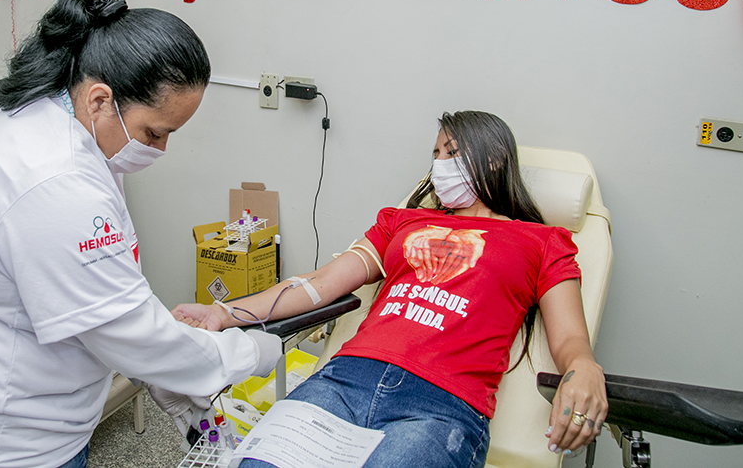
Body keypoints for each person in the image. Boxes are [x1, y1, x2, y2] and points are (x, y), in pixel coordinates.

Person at [0, 0, 281, 468]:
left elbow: (100, 293)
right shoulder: (54, 178)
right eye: (155, 132)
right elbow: (125, 330)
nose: (160, 148)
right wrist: (246, 351)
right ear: (100, 99)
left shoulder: (55, 124)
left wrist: (161, 363)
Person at [173, 111, 609, 468]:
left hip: (440, 405)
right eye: (436, 153)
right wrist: (224, 313)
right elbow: (318, 285)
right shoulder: (401, 222)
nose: (439, 164)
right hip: (342, 381)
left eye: (452, 152)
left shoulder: (541, 241)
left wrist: (584, 368)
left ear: (494, 160)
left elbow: (570, 338)